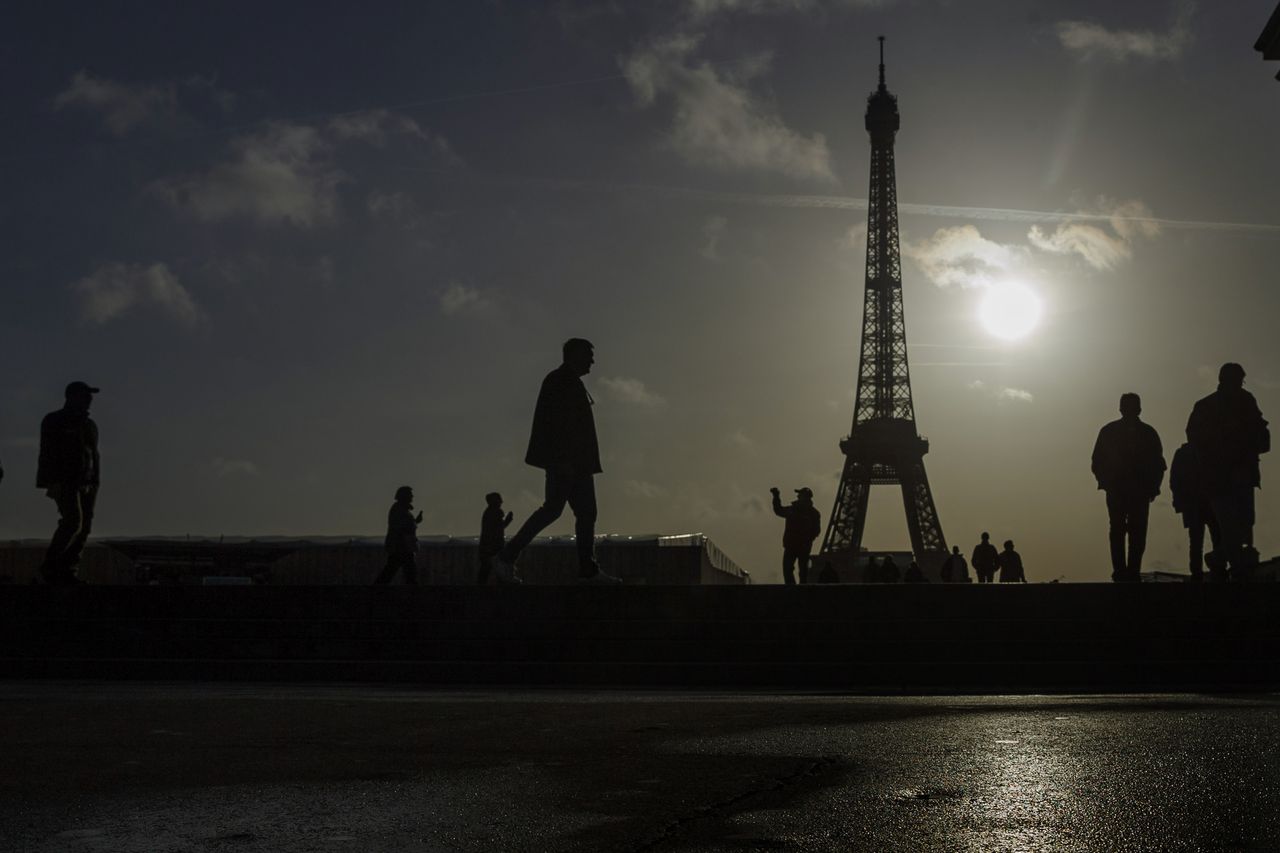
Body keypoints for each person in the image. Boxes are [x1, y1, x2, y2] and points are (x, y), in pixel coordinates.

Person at [490, 339, 620, 584]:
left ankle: (587, 570)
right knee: (556, 510)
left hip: (577, 464)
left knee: (580, 513)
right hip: (568, 464)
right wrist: (561, 460)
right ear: (575, 355)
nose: (592, 361)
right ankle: (507, 557)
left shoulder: (568, 382)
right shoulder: (560, 381)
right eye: (588, 355)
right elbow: (552, 424)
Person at [1186, 363, 1269, 580]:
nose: (1238, 385)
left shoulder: (1246, 401)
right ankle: (1237, 568)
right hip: (1219, 478)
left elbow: (1260, 430)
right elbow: (1195, 439)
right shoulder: (1206, 406)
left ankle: (1219, 558)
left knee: (1243, 524)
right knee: (1230, 526)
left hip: (1241, 475)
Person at [1091, 393, 1166, 583]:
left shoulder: (1113, 431)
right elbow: (1097, 461)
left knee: (1127, 530)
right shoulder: (1146, 433)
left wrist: (1152, 487)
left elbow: (1158, 464)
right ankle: (1126, 571)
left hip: (1132, 490)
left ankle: (1127, 571)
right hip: (1124, 489)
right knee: (1128, 530)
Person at [36, 381, 101, 585]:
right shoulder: (55, 420)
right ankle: (51, 567)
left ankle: (66, 570)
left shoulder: (89, 425)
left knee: (84, 527)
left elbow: (93, 454)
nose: (89, 400)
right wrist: (50, 481)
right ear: (72, 397)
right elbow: (47, 453)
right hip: (65, 481)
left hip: (88, 483)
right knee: (73, 522)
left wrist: (94, 480)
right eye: (85, 396)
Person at [1170, 440, 1220, 581]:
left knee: (1199, 540)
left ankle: (1202, 572)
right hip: (1204, 502)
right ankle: (1215, 570)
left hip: (1199, 502)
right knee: (1211, 538)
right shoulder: (1212, 449)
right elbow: (1175, 480)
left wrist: (1179, 501)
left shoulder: (1183, 454)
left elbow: (1174, 480)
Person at [770, 486, 822, 585]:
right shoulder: (814, 513)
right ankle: (799, 589)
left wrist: (776, 496)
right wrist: (808, 539)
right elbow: (817, 530)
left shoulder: (793, 510)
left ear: (805, 497)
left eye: (800, 494)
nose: (798, 496)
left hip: (793, 544)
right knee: (801, 570)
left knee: (790, 569)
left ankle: (792, 588)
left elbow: (778, 510)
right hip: (801, 545)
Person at [375, 486, 422, 585]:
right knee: (398, 571)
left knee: (394, 571)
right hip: (400, 546)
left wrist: (415, 522)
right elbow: (403, 527)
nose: (412, 497)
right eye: (410, 495)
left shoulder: (400, 509)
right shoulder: (399, 510)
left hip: (402, 546)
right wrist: (415, 523)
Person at [477, 492, 515, 585]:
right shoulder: (496, 512)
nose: (501, 502)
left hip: (487, 547)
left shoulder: (488, 512)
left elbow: (497, 528)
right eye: (499, 500)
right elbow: (498, 529)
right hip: (493, 548)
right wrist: (507, 520)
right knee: (498, 571)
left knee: (485, 572)